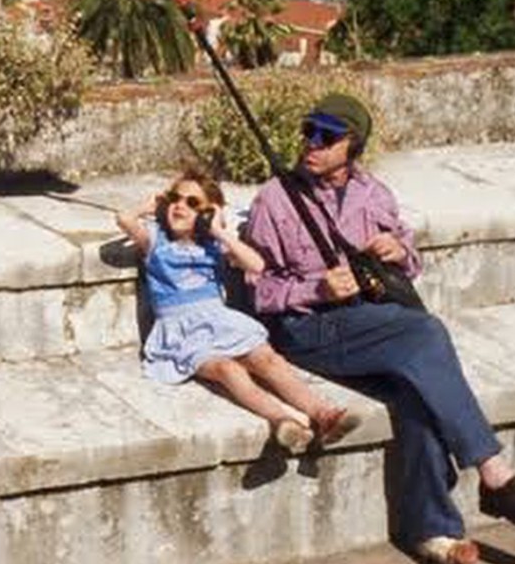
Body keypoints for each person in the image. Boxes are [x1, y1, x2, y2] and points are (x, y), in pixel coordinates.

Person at [244, 93, 515, 564]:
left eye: (326, 137)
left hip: (371, 323)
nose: (311, 143)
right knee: (427, 335)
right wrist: (316, 287)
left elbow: (409, 264)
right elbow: (260, 291)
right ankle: (495, 475)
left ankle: (431, 530)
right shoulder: (275, 200)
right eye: (307, 131)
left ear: (352, 146)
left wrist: (398, 251)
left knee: (417, 395)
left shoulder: (374, 195)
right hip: (309, 328)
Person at [116, 166, 361, 455]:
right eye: (175, 199)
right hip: (182, 331)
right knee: (227, 370)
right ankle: (280, 420)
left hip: (221, 320)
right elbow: (125, 219)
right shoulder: (156, 242)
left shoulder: (213, 246)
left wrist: (219, 231)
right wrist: (150, 206)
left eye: (193, 203)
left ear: (207, 213)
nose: (180, 206)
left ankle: (323, 414)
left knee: (267, 359)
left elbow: (256, 265)